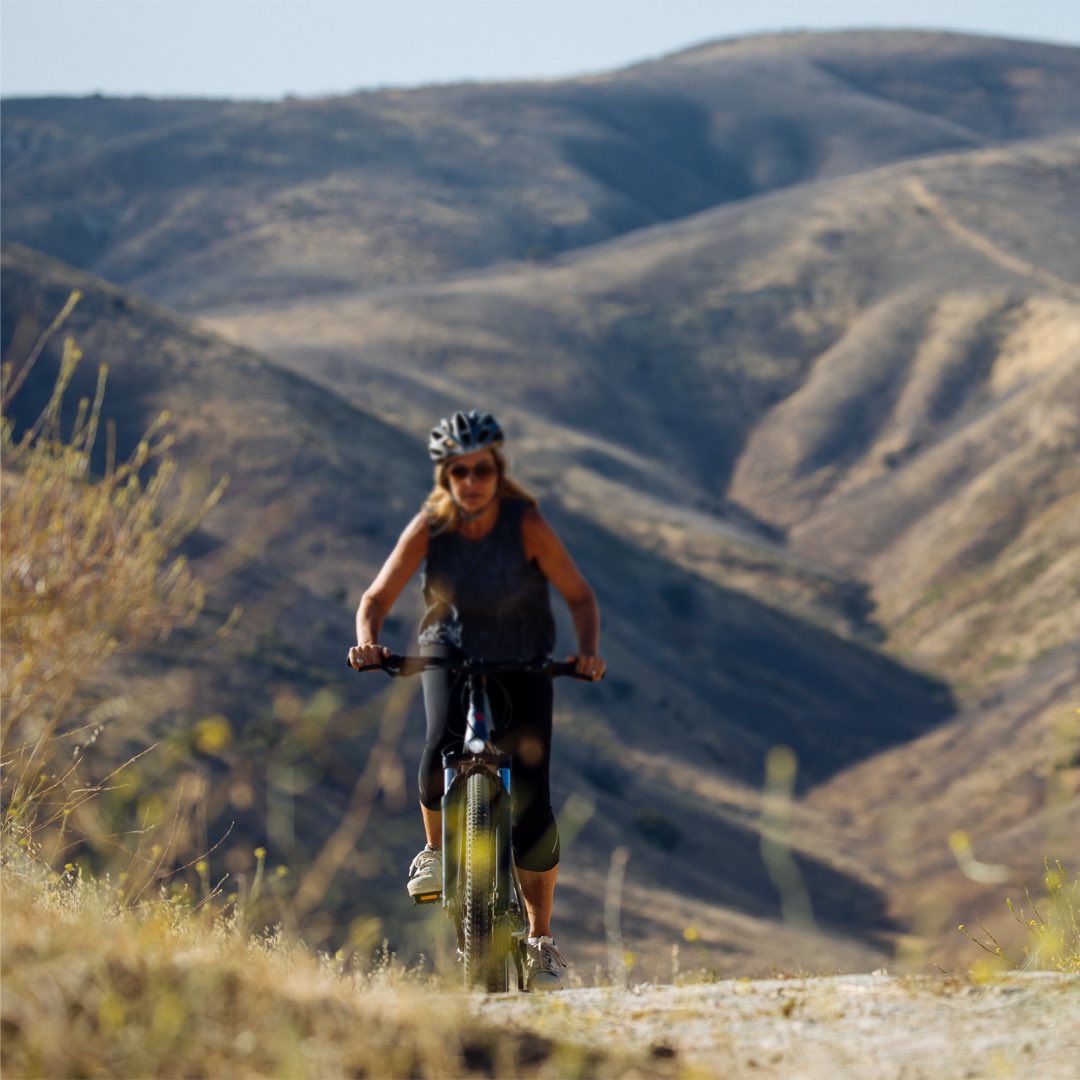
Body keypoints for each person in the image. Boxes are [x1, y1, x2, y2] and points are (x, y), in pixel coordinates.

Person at [348, 410, 605, 990]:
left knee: (535, 804)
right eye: (459, 470)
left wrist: (586, 652)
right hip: (450, 651)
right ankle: (436, 853)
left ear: (497, 469)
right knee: (440, 745)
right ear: (446, 476)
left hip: (524, 658)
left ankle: (540, 940)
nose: (471, 480)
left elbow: (580, 597)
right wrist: (368, 642)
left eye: (481, 469)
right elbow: (376, 597)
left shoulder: (527, 524)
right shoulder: (428, 529)